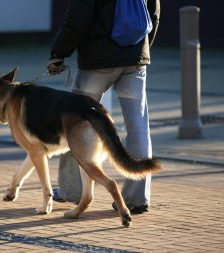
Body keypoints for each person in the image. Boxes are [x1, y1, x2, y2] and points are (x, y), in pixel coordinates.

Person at [47, 0, 160, 214]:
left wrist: (58, 54)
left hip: (97, 62)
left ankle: (72, 191)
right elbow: (153, 14)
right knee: (139, 129)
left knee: (74, 124)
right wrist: (141, 48)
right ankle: (137, 199)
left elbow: (77, 19)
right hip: (135, 59)